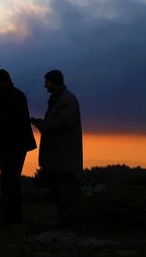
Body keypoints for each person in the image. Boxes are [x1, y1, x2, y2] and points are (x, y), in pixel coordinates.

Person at [31, 70, 83, 229]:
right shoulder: (59, 99)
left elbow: (63, 123)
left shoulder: (67, 100)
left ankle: (68, 222)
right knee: (60, 191)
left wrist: (42, 124)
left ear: (54, 82)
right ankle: (63, 220)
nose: (44, 85)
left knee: (66, 191)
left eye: (47, 82)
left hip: (64, 156)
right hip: (58, 156)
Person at [0, 69, 37, 226]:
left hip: (11, 146)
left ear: (3, 81)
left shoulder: (10, 97)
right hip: (14, 146)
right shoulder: (13, 95)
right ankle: (13, 217)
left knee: (10, 181)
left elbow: (5, 123)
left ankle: (9, 217)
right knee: (11, 181)